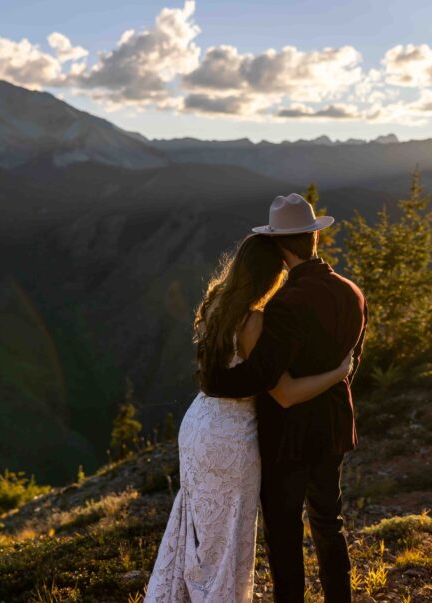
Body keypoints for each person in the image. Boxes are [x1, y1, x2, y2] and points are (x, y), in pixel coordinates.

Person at [144, 231, 354, 603]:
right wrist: (340, 373)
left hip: (199, 425)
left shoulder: (217, 305)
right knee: (228, 537)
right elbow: (284, 392)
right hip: (232, 437)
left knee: (200, 530)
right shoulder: (257, 320)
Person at [205, 193, 368, 603]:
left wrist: (212, 384)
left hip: (287, 437)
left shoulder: (284, 305)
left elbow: (263, 375)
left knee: (284, 531)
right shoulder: (352, 292)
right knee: (329, 522)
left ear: (281, 247)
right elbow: (353, 360)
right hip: (333, 426)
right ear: (313, 239)